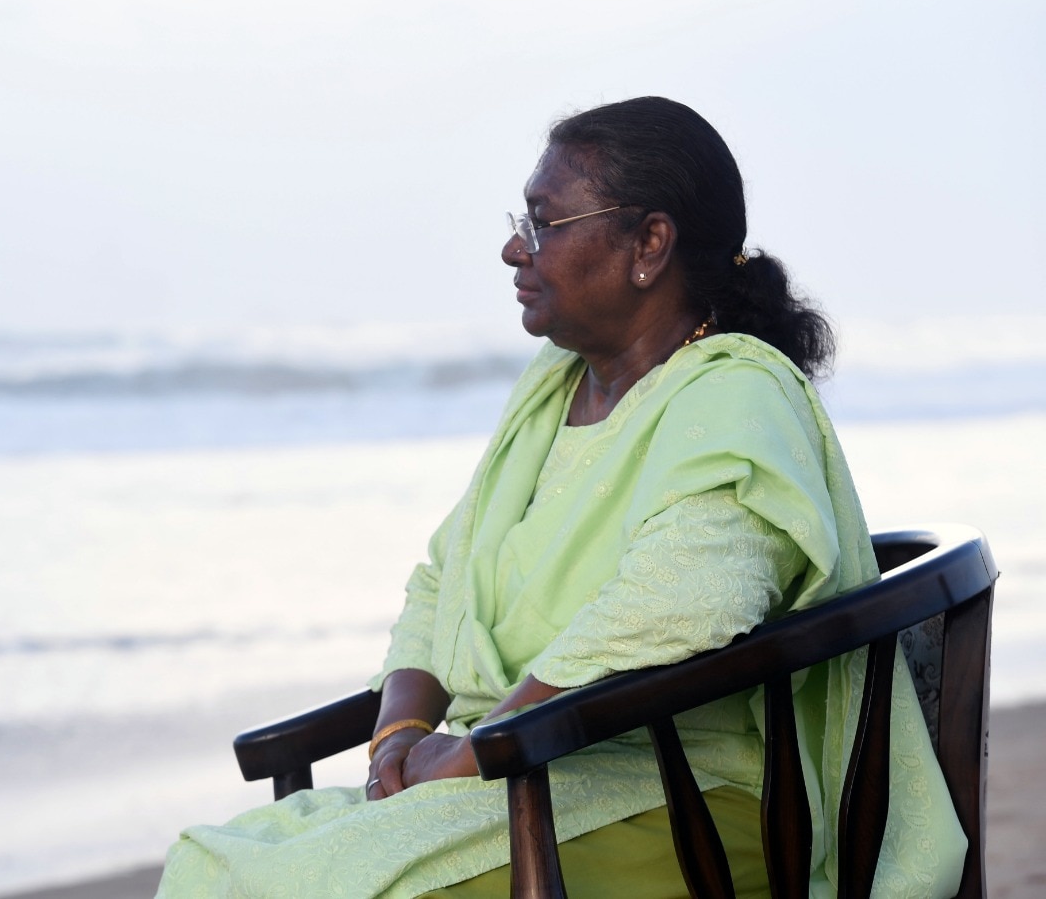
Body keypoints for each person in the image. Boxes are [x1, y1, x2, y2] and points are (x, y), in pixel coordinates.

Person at [154, 97, 967, 898]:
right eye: (521, 220)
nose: (515, 248)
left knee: (350, 886)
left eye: (545, 222)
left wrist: (478, 750)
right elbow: (448, 575)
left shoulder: (737, 393)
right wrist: (401, 733)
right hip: (528, 766)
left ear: (649, 243)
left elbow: (686, 600)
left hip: (694, 797)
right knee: (213, 862)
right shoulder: (554, 387)